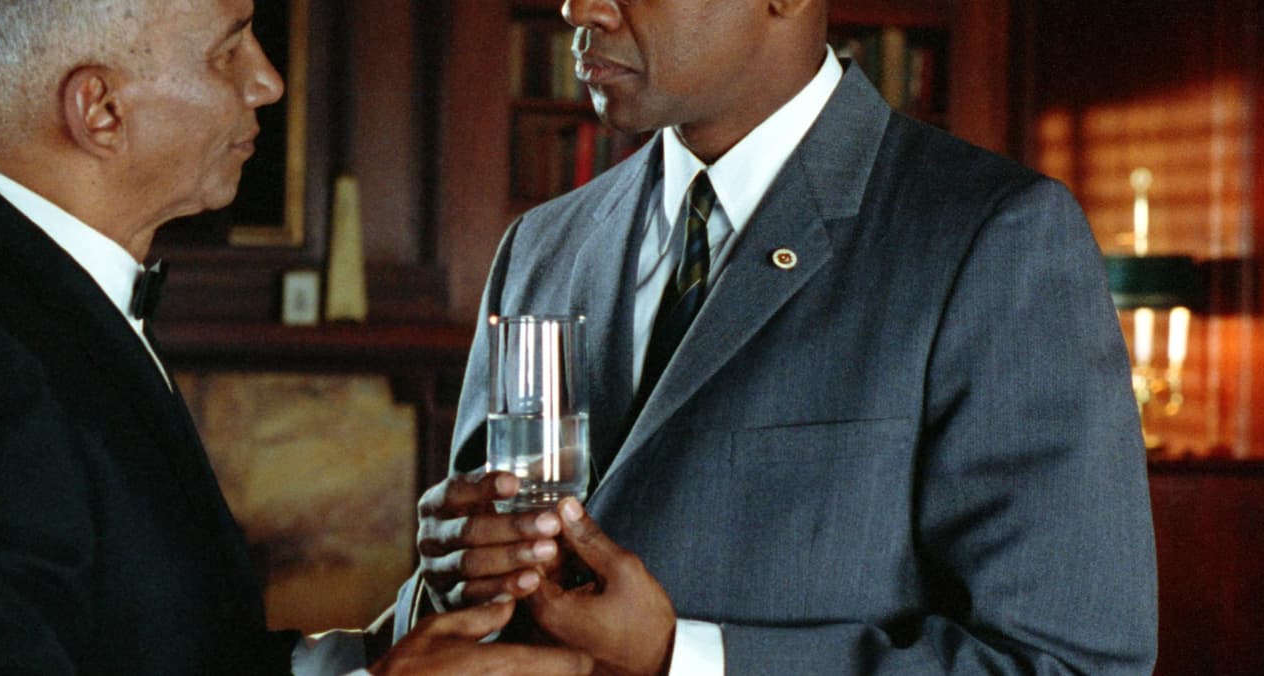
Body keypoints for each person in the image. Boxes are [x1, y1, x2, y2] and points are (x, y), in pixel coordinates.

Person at [0, 1, 594, 674]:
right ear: (100, 110)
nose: (267, 81)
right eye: (227, 50)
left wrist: (407, 639)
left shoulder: (37, 315)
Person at [397, 0, 1159, 673]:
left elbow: (1065, 663)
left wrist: (679, 661)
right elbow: (460, 621)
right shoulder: (539, 247)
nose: (579, 8)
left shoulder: (993, 238)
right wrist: (446, 581)